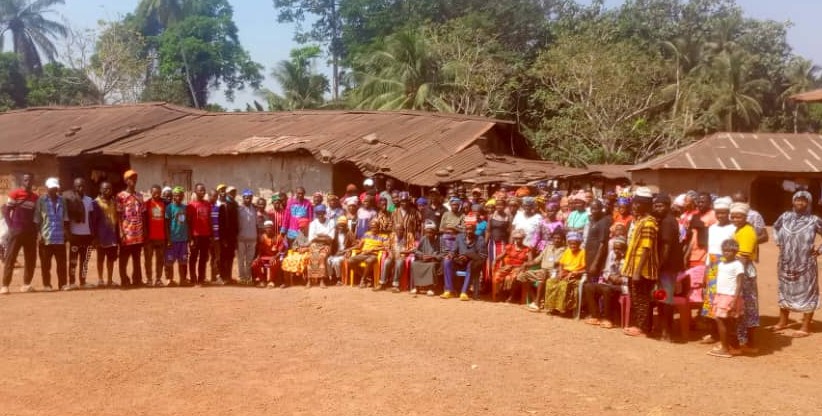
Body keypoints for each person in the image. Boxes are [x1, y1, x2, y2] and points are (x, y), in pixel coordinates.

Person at [772, 190, 822, 338]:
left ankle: (805, 326)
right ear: (793, 201)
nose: (800, 203)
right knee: (784, 290)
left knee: (807, 291)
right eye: (797, 200)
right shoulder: (785, 217)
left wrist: (819, 250)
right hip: (785, 262)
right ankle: (783, 321)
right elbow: (775, 228)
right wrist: (778, 242)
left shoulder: (814, 220)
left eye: (803, 201)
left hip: (805, 264)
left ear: (808, 203)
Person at [621, 187, 658, 337]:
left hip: (642, 269)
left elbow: (646, 248)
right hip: (633, 266)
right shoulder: (640, 221)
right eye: (634, 203)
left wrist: (637, 271)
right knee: (637, 298)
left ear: (646, 205)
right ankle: (642, 326)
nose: (635, 206)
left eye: (639, 203)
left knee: (642, 299)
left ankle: (642, 327)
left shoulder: (648, 223)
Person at [700, 197, 736, 343]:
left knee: (725, 300)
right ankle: (713, 333)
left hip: (727, 266)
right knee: (711, 300)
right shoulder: (712, 228)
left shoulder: (733, 228)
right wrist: (706, 271)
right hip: (713, 266)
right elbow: (710, 250)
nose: (720, 216)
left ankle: (728, 336)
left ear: (729, 213)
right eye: (718, 213)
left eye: (724, 213)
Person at [653, 193, 684, 341]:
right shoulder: (668, 220)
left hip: (667, 266)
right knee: (662, 297)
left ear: (667, 206)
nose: (658, 209)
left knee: (666, 299)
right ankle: (663, 329)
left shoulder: (667, 222)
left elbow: (666, 245)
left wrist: (659, 265)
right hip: (668, 266)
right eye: (656, 206)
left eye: (661, 206)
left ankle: (667, 332)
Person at [1, 173, 38, 294]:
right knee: (10, 257)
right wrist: (11, 227)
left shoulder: (35, 197)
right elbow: (6, 211)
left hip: (30, 233)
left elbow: (35, 215)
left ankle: (26, 284)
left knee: (30, 258)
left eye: (30, 180)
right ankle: (5, 286)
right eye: (26, 180)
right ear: (22, 181)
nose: (28, 182)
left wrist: (35, 230)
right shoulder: (15, 194)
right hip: (16, 231)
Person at [707, 239, 744, 358]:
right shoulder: (721, 264)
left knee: (721, 320)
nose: (727, 253)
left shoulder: (738, 265)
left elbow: (739, 283)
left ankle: (724, 348)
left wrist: (735, 299)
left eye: (730, 251)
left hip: (730, 296)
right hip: (720, 295)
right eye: (725, 251)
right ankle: (733, 347)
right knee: (727, 322)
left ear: (735, 252)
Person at [730, 202, 759, 352]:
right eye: (733, 216)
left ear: (745, 216)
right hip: (740, 270)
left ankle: (745, 344)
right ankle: (744, 343)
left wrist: (726, 261)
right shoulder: (739, 230)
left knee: (745, 307)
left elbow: (743, 258)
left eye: (738, 216)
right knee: (745, 308)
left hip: (744, 273)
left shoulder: (747, 231)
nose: (735, 219)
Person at [583, 236, 627, 328]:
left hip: (622, 286)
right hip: (609, 283)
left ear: (624, 249)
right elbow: (606, 271)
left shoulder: (627, 259)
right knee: (588, 287)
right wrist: (610, 276)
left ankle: (608, 319)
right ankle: (595, 316)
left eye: (619, 249)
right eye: (615, 248)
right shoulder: (611, 254)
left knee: (606, 290)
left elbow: (628, 278)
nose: (616, 250)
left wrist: (620, 279)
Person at [518, 230, 566, 311]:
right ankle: (535, 300)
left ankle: (537, 303)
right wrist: (526, 264)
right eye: (555, 238)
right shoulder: (548, 247)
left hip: (554, 272)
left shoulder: (565, 250)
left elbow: (560, 264)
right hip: (543, 270)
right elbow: (537, 260)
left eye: (559, 238)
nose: (556, 240)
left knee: (542, 274)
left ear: (563, 239)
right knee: (522, 276)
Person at [34, 178, 68, 291]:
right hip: (46, 237)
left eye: (55, 188)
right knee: (45, 264)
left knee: (62, 264)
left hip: (59, 237)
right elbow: (37, 219)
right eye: (52, 188)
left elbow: (66, 218)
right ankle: (47, 284)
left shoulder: (62, 200)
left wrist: (66, 233)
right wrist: (39, 235)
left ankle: (63, 284)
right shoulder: (41, 201)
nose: (54, 190)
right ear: (47, 188)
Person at [63, 177, 96, 289]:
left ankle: (83, 281)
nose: (80, 188)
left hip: (87, 235)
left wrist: (93, 234)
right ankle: (72, 282)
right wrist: (68, 234)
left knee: (85, 260)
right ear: (74, 187)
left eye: (82, 186)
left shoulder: (89, 200)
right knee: (73, 260)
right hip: (74, 236)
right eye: (78, 186)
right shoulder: (69, 200)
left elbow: (91, 218)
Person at [544, 231, 586, 315]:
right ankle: (552, 307)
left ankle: (561, 309)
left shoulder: (582, 252)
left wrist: (575, 273)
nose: (573, 246)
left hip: (575, 275)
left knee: (563, 284)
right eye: (571, 244)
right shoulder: (567, 251)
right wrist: (560, 272)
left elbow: (586, 269)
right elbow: (561, 264)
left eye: (575, 244)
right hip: (565, 273)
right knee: (550, 282)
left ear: (579, 244)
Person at [441, 223, 487, 300]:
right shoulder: (459, 237)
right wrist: (451, 255)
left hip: (472, 263)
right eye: (467, 229)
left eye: (471, 229)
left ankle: (464, 292)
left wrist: (467, 256)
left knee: (471, 265)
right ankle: (449, 290)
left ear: (475, 229)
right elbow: (454, 250)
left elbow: (483, 256)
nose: (469, 231)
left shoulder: (480, 239)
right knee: (447, 261)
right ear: (465, 229)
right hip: (460, 262)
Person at [116, 170, 145, 288]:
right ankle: (124, 280)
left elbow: (143, 214)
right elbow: (118, 215)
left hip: (138, 232)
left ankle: (137, 279)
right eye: (130, 178)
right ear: (126, 181)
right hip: (127, 232)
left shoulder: (139, 196)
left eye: (135, 178)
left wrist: (145, 231)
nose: (133, 180)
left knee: (137, 258)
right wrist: (121, 232)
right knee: (123, 258)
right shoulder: (121, 196)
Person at [91, 181, 119, 287]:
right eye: (105, 188)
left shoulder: (114, 202)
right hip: (101, 236)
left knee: (111, 259)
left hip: (112, 236)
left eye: (110, 189)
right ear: (100, 190)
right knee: (100, 258)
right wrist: (95, 237)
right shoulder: (95, 203)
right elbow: (93, 221)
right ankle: (100, 279)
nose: (108, 190)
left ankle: (110, 280)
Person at [492, 229, 532, 302]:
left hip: (519, 268)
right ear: (514, 239)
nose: (518, 240)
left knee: (513, 277)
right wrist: (495, 260)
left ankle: (511, 296)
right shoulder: (510, 247)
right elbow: (501, 255)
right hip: (508, 266)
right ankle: (497, 293)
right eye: (516, 238)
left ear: (523, 238)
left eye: (520, 238)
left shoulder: (527, 249)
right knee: (497, 275)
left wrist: (526, 264)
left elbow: (530, 261)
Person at [348, 221, 388, 288]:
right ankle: (366, 277)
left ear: (379, 227)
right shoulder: (366, 234)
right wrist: (348, 249)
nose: (373, 229)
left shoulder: (384, 236)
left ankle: (363, 280)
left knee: (368, 261)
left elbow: (386, 247)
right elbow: (359, 246)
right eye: (372, 227)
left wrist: (373, 249)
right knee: (350, 261)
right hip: (364, 253)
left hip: (374, 255)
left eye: (375, 227)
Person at [187, 183, 212, 287]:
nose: (202, 192)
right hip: (195, 236)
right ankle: (193, 279)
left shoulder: (207, 204)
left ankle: (201, 279)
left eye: (204, 190)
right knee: (193, 258)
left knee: (203, 258)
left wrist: (210, 235)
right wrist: (190, 238)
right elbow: (188, 223)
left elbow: (209, 220)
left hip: (205, 236)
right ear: (195, 191)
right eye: (200, 190)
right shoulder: (191, 205)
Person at [409, 220, 443, 295]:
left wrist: (433, 257)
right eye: (427, 232)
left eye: (431, 232)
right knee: (415, 264)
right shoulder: (423, 238)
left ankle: (431, 288)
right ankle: (416, 287)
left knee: (432, 266)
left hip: (434, 260)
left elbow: (443, 254)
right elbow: (417, 251)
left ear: (434, 232)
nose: (429, 234)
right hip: (423, 259)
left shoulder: (440, 240)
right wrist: (422, 256)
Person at [164, 187, 189, 286]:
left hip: (183, 239)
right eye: (176, 195)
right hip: (172, 239)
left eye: (180, 195)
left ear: (183, 196)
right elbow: (166, 224)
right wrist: (168, 238)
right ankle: (170, 279)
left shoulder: (185, 207)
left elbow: (187, 223)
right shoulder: (169, 208)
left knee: (183, 260)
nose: (178, 197)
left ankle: (183, 279)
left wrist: (189, 238)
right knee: (169, 260)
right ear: (173, 196)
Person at [143, 184, 167, 287]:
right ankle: (149, 279)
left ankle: (158, 279)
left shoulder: (164, 204)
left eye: (158, 192)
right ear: (150, 192)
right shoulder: (147, 204)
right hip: (149, 237)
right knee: (148, 259)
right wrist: (145, 235)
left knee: (160, 259)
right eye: (154, 192)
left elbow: (166, 221)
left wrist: (166, 236)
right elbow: (144, 221)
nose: (156, 194)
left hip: (161, 237)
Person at [584, 200, 611, 289]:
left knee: (594, 285)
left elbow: (602, 244)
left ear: (601, 209)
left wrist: (595, 263)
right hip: (589, 255)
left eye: (596, 209)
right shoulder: (592, 220)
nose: (593, 211)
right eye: (592, 209)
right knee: (589, 282)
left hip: (596, 258)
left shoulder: (603, 222)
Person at [251, 221, 286, 287]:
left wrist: (275, 257)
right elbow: (260, 251)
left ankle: (271, 281)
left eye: (270, 227)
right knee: (254, 264)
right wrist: (257, 258)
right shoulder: (262, 237)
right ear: (264, 229)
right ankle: (262, 281)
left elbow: (281, 251)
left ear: (272, 228)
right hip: (264, 258)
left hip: (275, 257)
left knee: (273, 262)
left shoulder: (278, 237)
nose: (268, 229)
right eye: (267, 228)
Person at [686, 192, 716, 268]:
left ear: (709, 203)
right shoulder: (695, 216)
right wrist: (687, 254)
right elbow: (693, 237)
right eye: (698, 202)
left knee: (711, 278)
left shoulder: (714, 216)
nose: (700, 204)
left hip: (709, 257)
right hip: (694, 256)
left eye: (703, 202)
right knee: (695, 279)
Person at [234, 189, 257, 284]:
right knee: (240, 259)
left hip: (252, 238)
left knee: (249, 259)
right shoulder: (239, 209)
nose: (248, 199)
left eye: (250, 197)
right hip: (241, 238)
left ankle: (248, 277)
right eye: (246, 197)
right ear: (243, 198)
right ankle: (241, 277)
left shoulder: (254, 209)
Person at [328, 216, 356, 286]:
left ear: (345, 226)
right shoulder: (335, 233)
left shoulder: (349, 233)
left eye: (342, 225)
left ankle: (339, 279)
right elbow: (330, 242)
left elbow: (355, 245)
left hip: (344, 253)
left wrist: (347, 251)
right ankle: (332, 277)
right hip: (336, 253)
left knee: (336, 261)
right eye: (339, 225)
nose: (340, 227)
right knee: (328, 260)